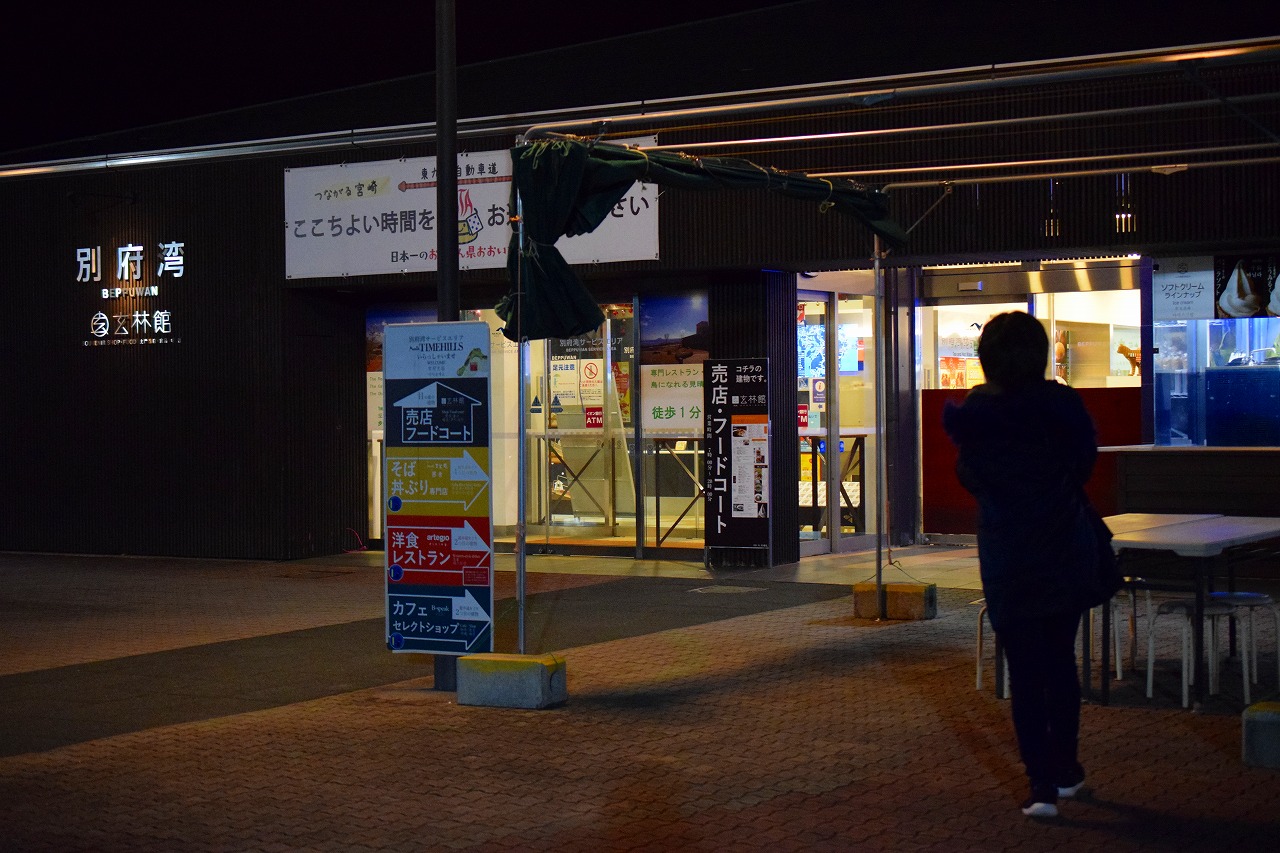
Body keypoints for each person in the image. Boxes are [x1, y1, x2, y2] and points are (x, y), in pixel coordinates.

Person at [942, 311, 1101, 819]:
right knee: (1060, 661)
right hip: (1062, 546)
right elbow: (1084, 463)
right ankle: (1066, 768)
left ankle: (1041, 787)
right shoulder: (1061, 402)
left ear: (986, 357)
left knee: (1025, 672)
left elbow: (969, 473)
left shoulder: (978, 409)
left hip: (1007, 552)